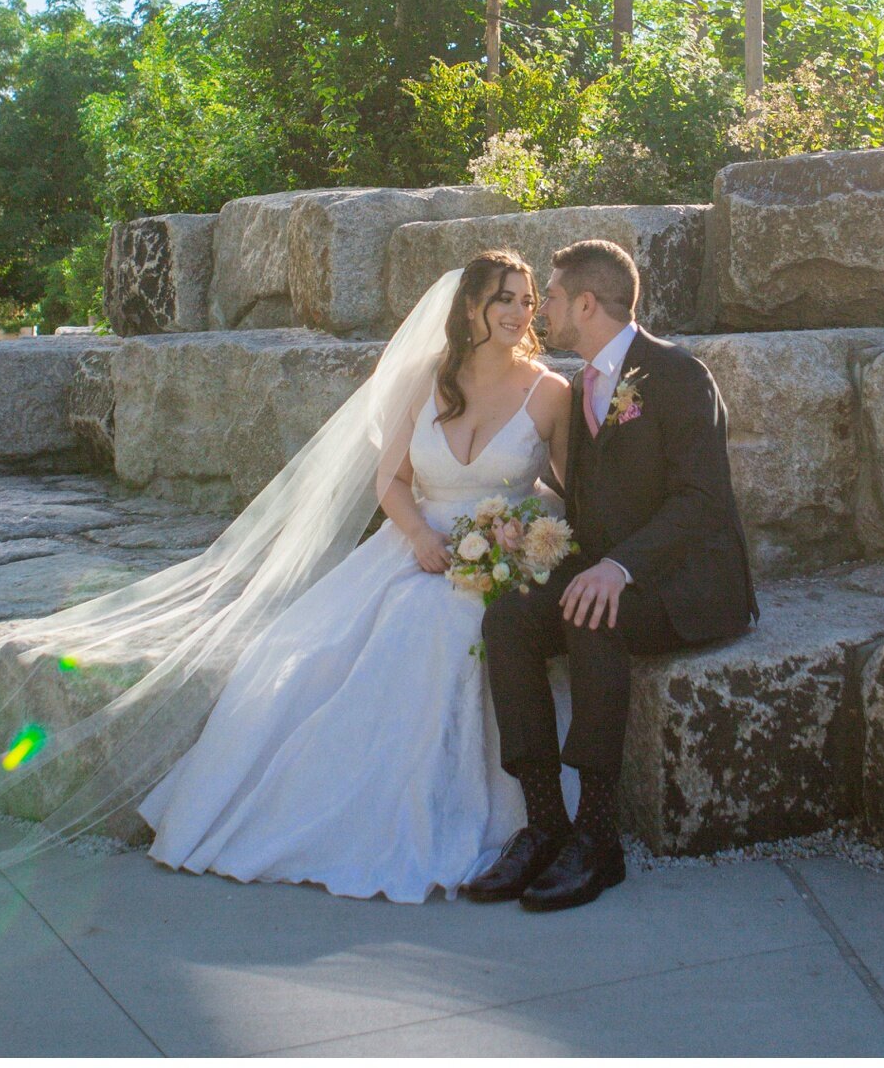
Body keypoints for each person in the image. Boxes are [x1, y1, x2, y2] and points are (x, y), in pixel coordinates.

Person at [135, 249, 573, 903]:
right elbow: (391, 481)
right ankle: (343, 808)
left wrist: (530, 547)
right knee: (332, 642)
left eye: (527, 299)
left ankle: (472, 814)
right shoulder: (428, 379)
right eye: (503, 298)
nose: (518, 312)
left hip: (506, 557)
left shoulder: (550, 391)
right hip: (416, 545)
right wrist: (422, 536)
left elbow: (570, 488)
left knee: (445, 625)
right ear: (470, 309)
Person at [462, 237, 757, 913]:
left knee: (592, 613)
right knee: (509, 617)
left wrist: (620, 568)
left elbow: (701, 501)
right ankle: (544, 823)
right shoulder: (583, 383)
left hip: (686, 581)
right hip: (612, 567)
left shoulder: (678, 376)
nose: (544, 309)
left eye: (556, 297)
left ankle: (598, 837)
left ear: (588, 303)